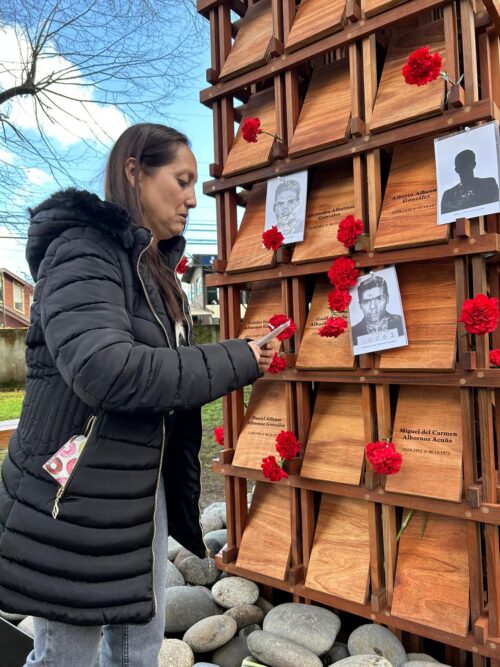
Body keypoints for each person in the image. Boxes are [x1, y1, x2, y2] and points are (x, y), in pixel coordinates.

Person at [0, 123, 276, 666]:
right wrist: (234, 359)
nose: (193, 198)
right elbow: (108, 370)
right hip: (72, 491)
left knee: (139, 644)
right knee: (67, 652)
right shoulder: (83, 251)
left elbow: (160, 370)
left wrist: (235, 353)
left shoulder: (154, 270)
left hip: (134, 488)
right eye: (182, 179)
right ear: (135, 173)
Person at [441, 148, 499, 214]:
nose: (465, 168)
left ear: (474, 165)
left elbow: (493, 208)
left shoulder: (489, 183)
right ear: (456, 170)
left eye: (467, 164)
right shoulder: (448, 195)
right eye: (462, 166)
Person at [351, 274, 404, 344]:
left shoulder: (401, 323)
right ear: (360, 305)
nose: (373, 306)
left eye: (379, 299)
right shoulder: (353, 332)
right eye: (366, 301)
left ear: (387, 299)